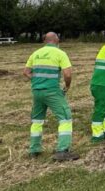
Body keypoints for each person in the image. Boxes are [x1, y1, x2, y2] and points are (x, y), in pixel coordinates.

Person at [23, 32, 79, 161]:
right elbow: (68, 74)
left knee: (37, 120)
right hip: (52, 91)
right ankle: (62, 150)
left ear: (45, 41)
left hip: (37, 91)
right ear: (56, 39)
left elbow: (26, 72)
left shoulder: (36, 53)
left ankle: (34, 149)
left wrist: (37, 80)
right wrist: (67, 86)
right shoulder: (60, 53)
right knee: (65, 117)